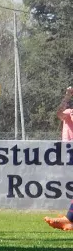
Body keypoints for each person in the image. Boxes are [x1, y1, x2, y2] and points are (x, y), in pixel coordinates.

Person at [42, 88, 73, 231]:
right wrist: (67, 96)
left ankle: (69, 219)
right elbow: (59, 113)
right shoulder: (69, 112)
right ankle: (69, 218)